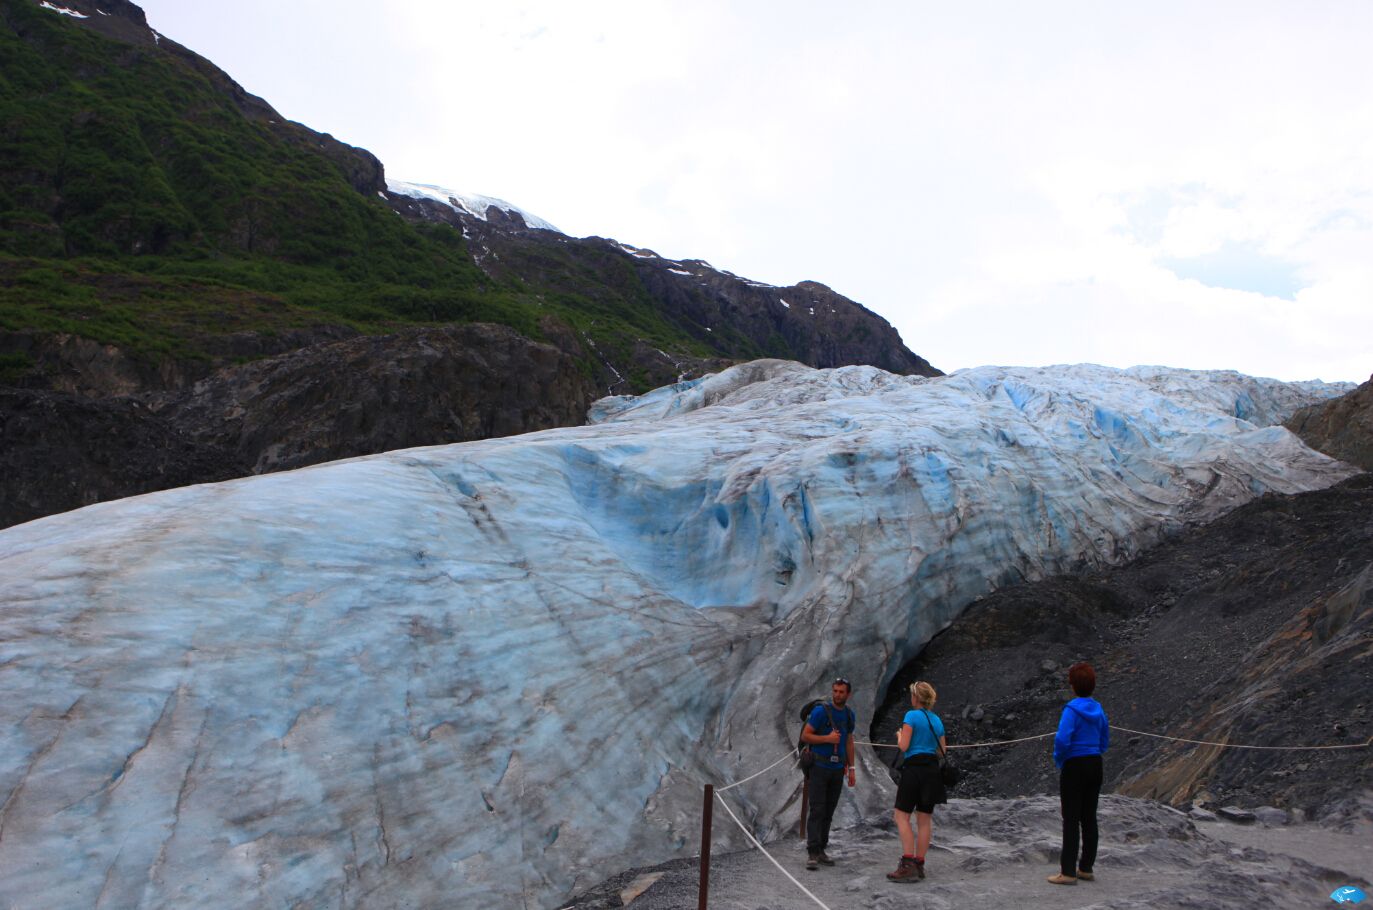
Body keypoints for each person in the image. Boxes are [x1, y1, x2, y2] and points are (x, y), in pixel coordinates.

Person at [1047, 661, 1110, 886]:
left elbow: (1062, 738)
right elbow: (1105, 736)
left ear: (1073, 686)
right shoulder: (1099, 709)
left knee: (1071, 819)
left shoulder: (1072, 710)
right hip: (1095, 763)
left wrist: (1060, 758)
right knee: (1089, 816)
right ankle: (1086, 867)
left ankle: (1067, 871)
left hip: (1075, 764)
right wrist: (1097, 750)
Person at [887, 680, 947, 883]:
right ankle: (919, 864)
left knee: (901, 816)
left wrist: (899, 736)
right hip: (932, 771)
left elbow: (904, 747)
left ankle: (907, 863)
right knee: (924, 819)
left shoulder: (911, 716)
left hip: (914, 770)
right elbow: (942, 751)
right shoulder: (936, 720)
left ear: (915, 697)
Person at [800, 677, 856, 870]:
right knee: (817, 809)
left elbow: (849, 741)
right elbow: (805, 735)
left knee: (829, 811)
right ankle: (812, 852)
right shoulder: (820, 712)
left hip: (837, 769)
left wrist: (852, 768)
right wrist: (827, 738)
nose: (837, 695)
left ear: (848, 694)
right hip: (819, 767)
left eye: (841, 692)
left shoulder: (849, 715)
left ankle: (822, 849)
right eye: (835, 691)